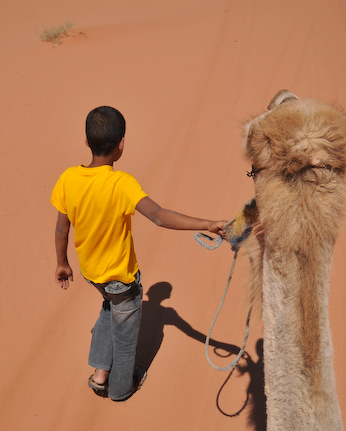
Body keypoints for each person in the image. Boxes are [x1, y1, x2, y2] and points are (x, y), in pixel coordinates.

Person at [51, 106, 227, 401]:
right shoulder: (122, 184)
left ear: (86, 141)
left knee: (109, 307)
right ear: (121, 144)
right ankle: (120, 390)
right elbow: (158, 215)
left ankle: (99, 375)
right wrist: (208, 223)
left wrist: (61, 264)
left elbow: (61, 230)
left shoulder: (68, 178)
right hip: (122, 281)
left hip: (91, 274)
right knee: (125, 338)